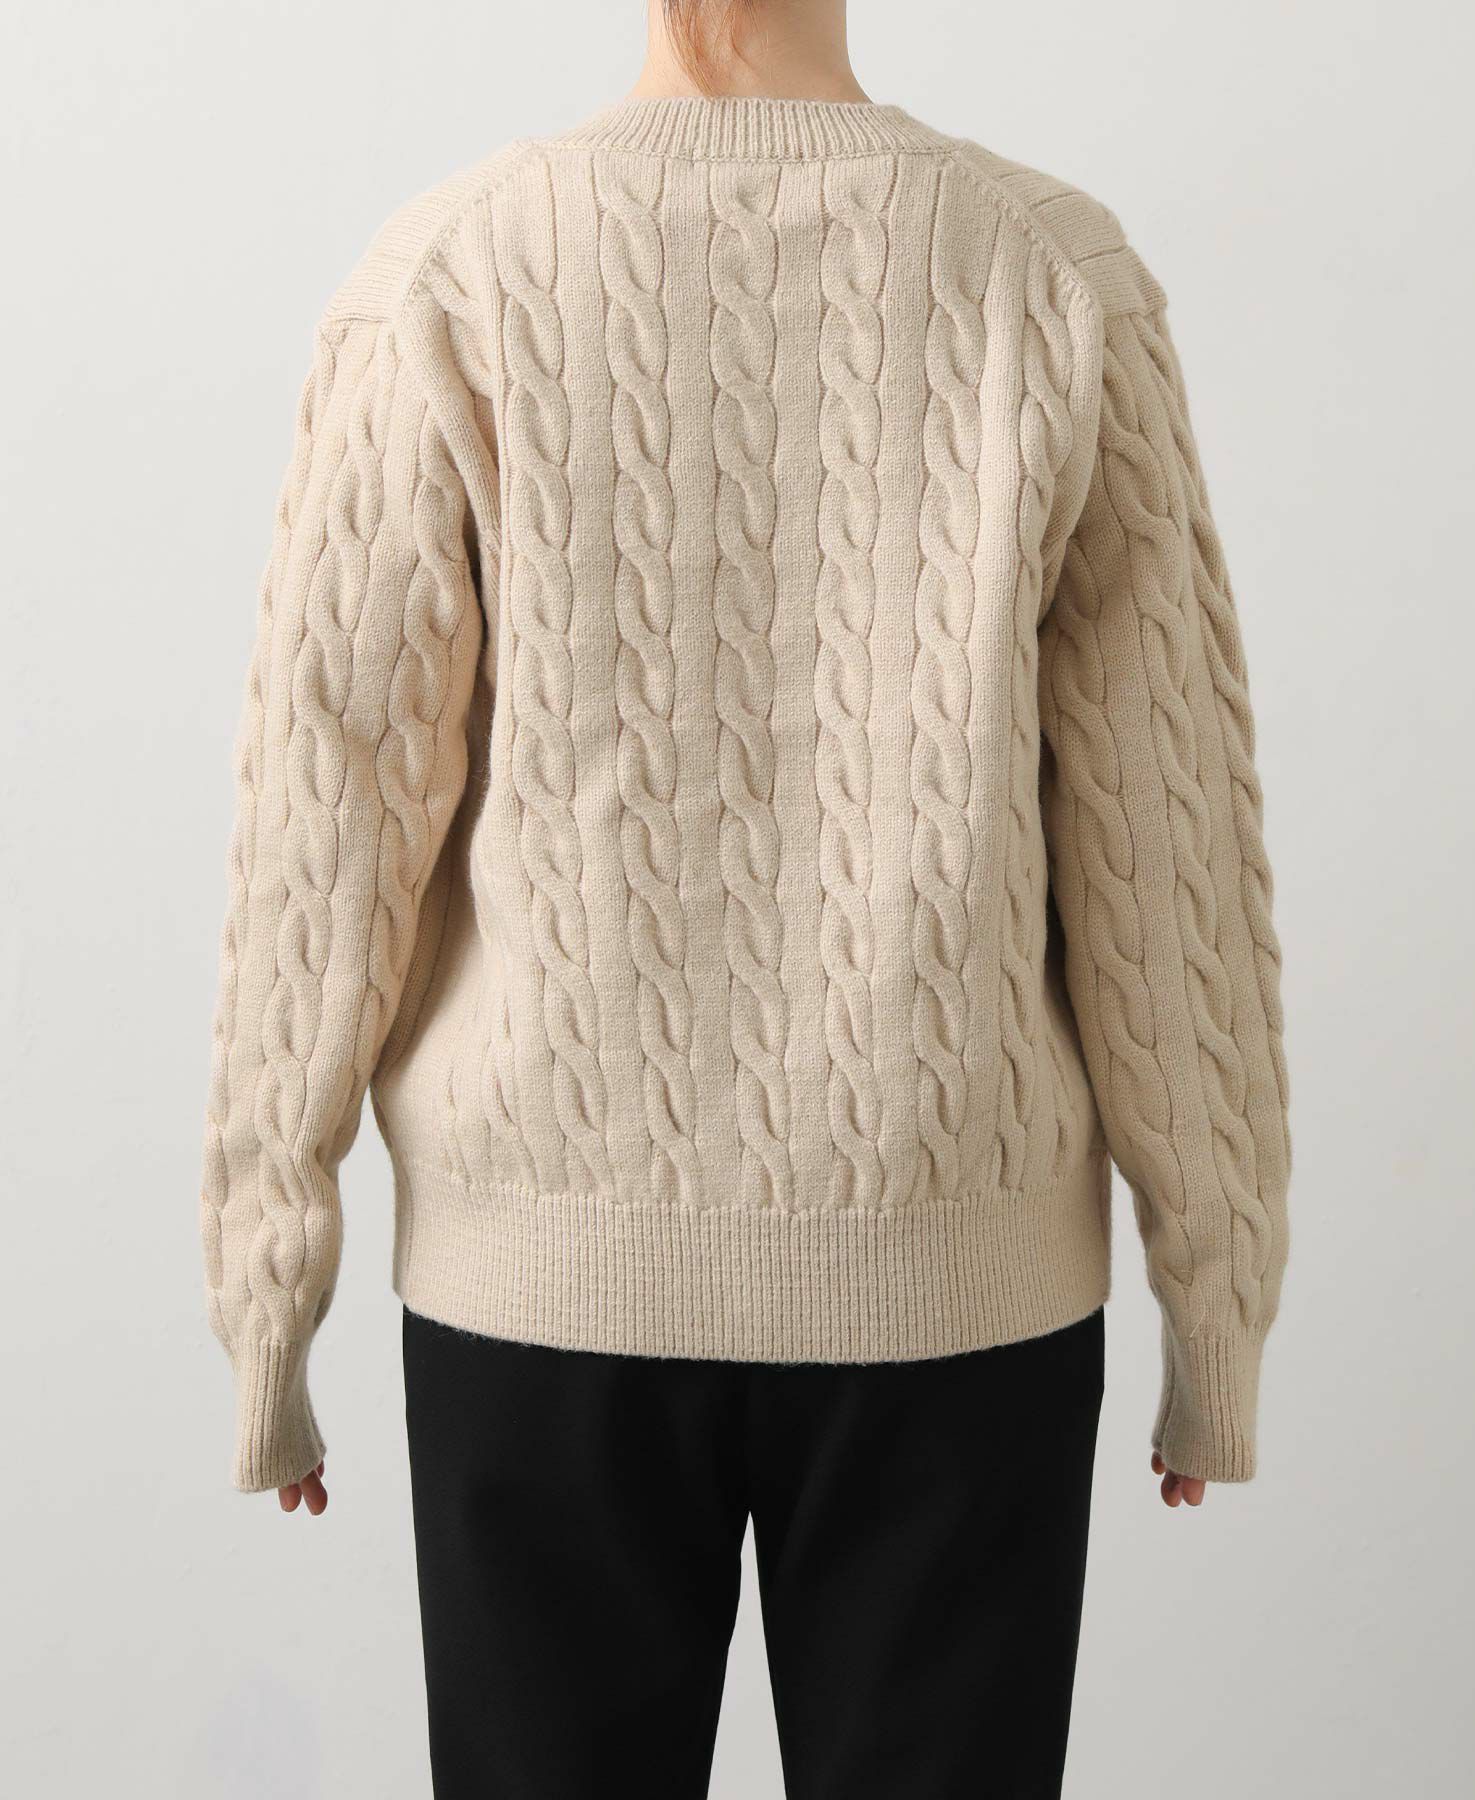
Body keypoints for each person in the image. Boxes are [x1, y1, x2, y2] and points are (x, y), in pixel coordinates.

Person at [198, 0, 1291, 1792]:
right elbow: (1165, 838)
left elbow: (331, 821)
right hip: (957, 1294)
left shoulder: (455, 272)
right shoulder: (1047, 275)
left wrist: (269, 1286)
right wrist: (1215, 1288)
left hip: (544, 1296)